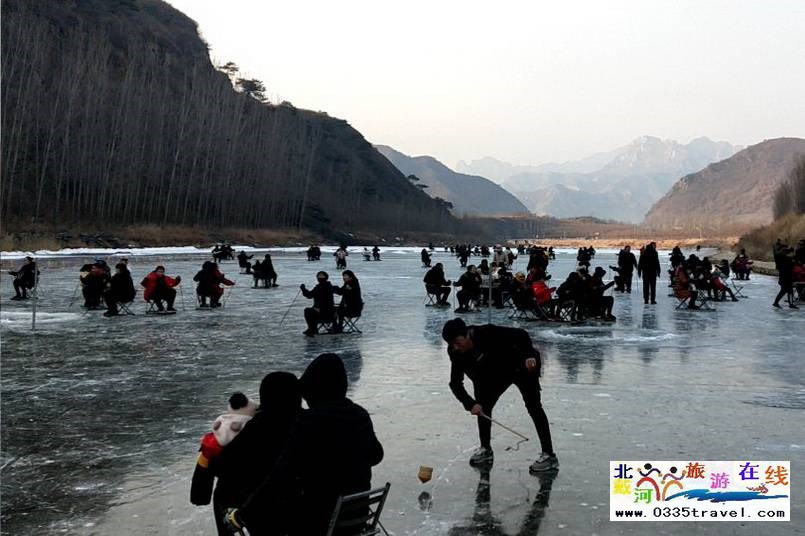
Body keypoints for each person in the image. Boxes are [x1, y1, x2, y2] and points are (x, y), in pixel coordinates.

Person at [225, 354, 384, 535]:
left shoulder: (309, 422)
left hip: (318, 523)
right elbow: (377, 455)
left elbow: (281, 476)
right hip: (356, 517)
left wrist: (243, 515)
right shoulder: (359, 415)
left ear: (316, 390)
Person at [442, 319, 557, 473]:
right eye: (451, 344)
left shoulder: (487, 332)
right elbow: (455, 383)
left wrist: (529, 355)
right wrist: (470, 404)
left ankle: (549, 455)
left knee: (533, 406)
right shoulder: (455, 353)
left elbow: (521, 335)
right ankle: (486, 449)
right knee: (483, 406)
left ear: (467, 334)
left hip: (520, 366)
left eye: (457, 342)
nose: (455, 347)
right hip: (493, 375)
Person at [191, 374, 301, 536]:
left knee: (225, 490)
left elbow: (216, 469)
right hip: (298, 516)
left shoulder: (254, 431)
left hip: (252, 519)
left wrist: (211, 448)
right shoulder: (308, 425)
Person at [300, 271, 336, 336]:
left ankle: (312, 329)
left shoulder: (322, 287)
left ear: (326, 277)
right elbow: (310, 295)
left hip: (325, 312)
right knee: (309, 311)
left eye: (322, 276)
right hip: (324, 311)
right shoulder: (322, 286)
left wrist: (303, 289)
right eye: (319, 276)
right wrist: (304, 289)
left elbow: (310, 295)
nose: (320, 277)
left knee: (308, 311)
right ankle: (312, 328)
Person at [773, 243, 798, 309]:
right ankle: (777, 302)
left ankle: (790, 304)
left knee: (788, 291)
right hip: (785, 278)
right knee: (785, 291)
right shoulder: (785, 259)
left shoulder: (784, 259)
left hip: (785, 277)